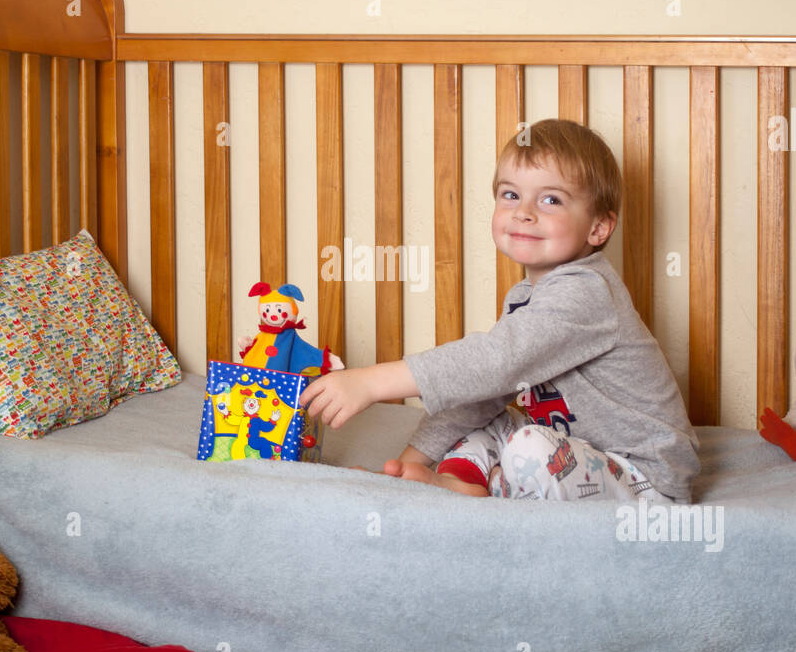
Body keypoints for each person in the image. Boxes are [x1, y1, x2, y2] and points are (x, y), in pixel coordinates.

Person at [300, 119, 700, 504]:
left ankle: (488, 489)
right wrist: (407, 464)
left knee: (528, 446)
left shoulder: (588, 291)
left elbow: (497, 361)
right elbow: (484, 389)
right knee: (487, 418)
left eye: (551, 199)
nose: (524, 211)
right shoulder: (526, 296)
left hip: (645, 479)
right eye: (511, 195)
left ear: (598, 227)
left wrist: (372, 382)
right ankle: (456, 482)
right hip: (578, 453)